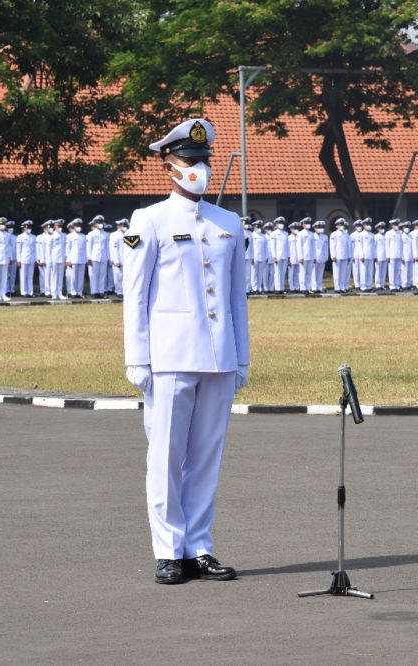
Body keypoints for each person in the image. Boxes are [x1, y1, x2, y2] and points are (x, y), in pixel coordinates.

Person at [123, 118, 248, 585]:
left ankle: (199, 547)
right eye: (190, 161)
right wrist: (137, 356)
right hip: (170, 356)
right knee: (166, 454)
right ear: (168, 165)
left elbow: (237, 297)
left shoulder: (228, 223)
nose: (200, 168)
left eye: (204, 160)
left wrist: (242, 357)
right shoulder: (148, 221)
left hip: (218, 357)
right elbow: (135, 294)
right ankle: (168, 550)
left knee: (206, 456)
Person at [65, 218, 89, 298]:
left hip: (82, 259)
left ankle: (79, 292)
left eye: (79, 225)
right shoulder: (69, 236)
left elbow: (86, 249)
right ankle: (73, 292)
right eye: (77, 225)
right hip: (73, 259)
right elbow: (67, 249)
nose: (78, 227)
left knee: (81, 277)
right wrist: (68, 260)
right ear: (73, 226)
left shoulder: (83, 236)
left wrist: (86, 259)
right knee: (73, 277)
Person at [86, 216, 108, 298]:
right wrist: (89, 258)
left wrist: (108, 258)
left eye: (101, 222)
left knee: (103, 275)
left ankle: (101, 291)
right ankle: (94, 292)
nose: (100, 224)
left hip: (104, 257)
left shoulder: (105, 234)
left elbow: (107, 247)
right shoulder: (91, 234)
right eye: (98, 222)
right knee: (94, 275)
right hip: (94, 257)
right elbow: (89, 247)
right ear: (95, 224)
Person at [329, 218, 350, 292]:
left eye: (342, 225)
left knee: (343, 273)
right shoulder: (334, 234)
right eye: (340, 225)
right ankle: (337, 287)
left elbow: (348, 246)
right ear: (336, 226)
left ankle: (342, 287)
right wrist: (333, 256)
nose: (342, 226)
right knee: (337, 272)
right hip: (337, 256)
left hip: (344, 255)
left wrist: (349, 256)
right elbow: (332, 246)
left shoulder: (346, 234)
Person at [109, 219, 127, 297]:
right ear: (118, 226)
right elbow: (113, 248)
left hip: (126, 259)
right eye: (121, 225)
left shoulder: (128, 234)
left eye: (124, 225)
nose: (122, 226)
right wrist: (115, 260)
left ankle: (125, 291)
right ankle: (118, 291)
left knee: (126, 277)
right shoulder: (114, 235)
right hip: (118, 259)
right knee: (118, 276)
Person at [313, 220, 328, 292]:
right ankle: (313, 288)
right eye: (319, 227)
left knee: (320, 274)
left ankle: (319, 287)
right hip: (314, 258)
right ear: (315, 228)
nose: (320, 229)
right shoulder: (312, 236)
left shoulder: (325, 237)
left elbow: (325, 248)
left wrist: (326, 257)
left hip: (322, 257)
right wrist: (313, 257)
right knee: (313, 274)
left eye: (321, 227)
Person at [373, 221, 387, 290]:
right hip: (378, 256)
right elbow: (374, 247)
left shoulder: (386, 236)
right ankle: (378, 285)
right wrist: (375, 256)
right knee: (378, 270)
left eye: (383, 227)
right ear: (378, 228)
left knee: (383, 271)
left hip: (385, 256)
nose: (382, 229)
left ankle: (382, 284)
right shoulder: (375, 236)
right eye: (381, 227)